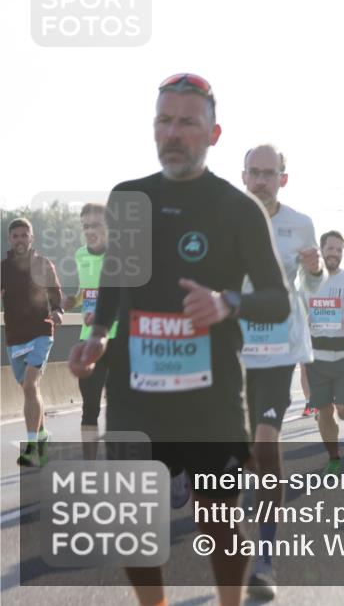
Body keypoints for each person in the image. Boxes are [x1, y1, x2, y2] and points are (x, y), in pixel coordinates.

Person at [68, 73, 291, 606]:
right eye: (164, 121)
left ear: (213, 134)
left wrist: (226, 303)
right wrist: (98, 335)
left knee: (217, 521)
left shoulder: (238, 209)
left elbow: (276, 301)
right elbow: (116, 281)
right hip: (135, 392)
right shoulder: (130, 199)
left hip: (209, 398)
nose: (173, 133)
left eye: (187, 122)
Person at [239, 143, 321, 599]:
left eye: (270, 173)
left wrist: (312, 271)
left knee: (265, 446)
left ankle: (264, 560)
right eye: (255, 172)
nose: (262, 180)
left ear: (282, 179)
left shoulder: (300, 224)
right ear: (244, 176)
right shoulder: (225, 217)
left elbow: (312, 285)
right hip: (231, 348)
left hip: (278, 347)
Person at [300, 230, 344, 475]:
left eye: (339, 250)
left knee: (343, 409)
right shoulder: (306, 283)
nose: (335, 254)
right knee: (324, 412)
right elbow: (296, 316)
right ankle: (334, 458)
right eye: (330, 249)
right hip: (317, 360)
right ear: (321, 250)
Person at [2, 217, 61, 467]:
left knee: (29, 385)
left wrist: (57, 309)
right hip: (15, 336)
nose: (20, 240)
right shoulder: (3, 268)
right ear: (10, 239)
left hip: (41, 331)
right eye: (15, 236)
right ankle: (43, 435)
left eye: (24, 235)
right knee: (30, 389)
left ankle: (31, 448)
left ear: (31, 238)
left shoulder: (42, 264)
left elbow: (54, 292)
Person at [62, 203, 119, 460]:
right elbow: (87, 292)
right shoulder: (80, 255)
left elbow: (130, 298)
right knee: (90, 408)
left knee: (121, 409)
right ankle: (90, 468)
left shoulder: (121, 257)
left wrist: (105, 315)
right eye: (85, 226)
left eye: (95, 225)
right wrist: (71, 302)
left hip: (118, 339)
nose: (90, 231)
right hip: (88, 342)